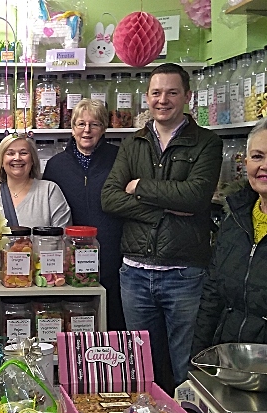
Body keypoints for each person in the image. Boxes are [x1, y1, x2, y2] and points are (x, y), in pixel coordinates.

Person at [100, 63, 223, 389]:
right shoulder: (133, 143)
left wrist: (139, 185)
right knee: (142, 369)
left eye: (171, 92)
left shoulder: (207, 143)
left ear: (187, 96)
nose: (163, 99)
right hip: (135, 274)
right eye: (156, 92)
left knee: (187, 366)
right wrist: (165, 210)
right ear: (147, 97)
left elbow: (196, 197)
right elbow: (110, 198)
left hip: (185, 273)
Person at [193, 112, 267, 356]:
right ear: (246, 162)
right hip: (232, 366)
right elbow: (213, 299)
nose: (266, 166)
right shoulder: (235, 219)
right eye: (257, 156)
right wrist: (197, 364)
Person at [43, 99, 125, 331]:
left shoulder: (120, 159)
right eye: (80, 124)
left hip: (112, 251)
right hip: (69, 254)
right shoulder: (56, 165)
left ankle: (110, 365)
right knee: (75, 313)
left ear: (104, 128)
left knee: (112, 316)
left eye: (94, 124)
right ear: (72, 128)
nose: (86, 130)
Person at [0, 133, 71, 228]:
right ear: (1, 161)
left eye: (23, 153)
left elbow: (63, 237)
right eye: (10, 153)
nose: (17, 158)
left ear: (32, 160)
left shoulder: (49, 191)